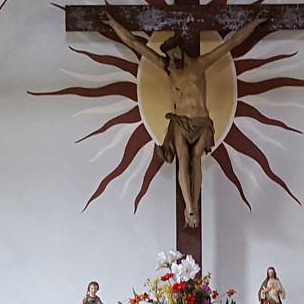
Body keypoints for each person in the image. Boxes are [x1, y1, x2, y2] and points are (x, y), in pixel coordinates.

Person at [102, 12, 266, 229]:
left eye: (173, 53)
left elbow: (232, 42)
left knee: (196, 158)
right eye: (168, 55)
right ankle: (189, 207)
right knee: (182, 157)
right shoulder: (167, 67)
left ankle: (194, 206)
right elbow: (133, 42)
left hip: (202, 121)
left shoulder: (201, 63)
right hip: (180, 122)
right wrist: (114, 23)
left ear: (180, 49)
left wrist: (254, 23)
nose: (171, 58)